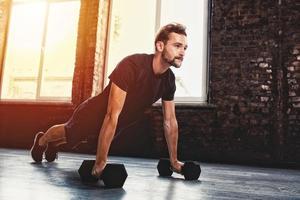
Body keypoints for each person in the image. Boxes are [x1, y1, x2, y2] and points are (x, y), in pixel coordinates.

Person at [30, 23, 188, 177]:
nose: (182, 52)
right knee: (69, 133)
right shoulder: (132, 66)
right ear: (160, 46)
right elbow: (112, 114)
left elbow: (170, 122)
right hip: (94, 113)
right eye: (177, 46)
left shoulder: (169, 81)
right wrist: (100, 162)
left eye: (185, 48)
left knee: (74, 140)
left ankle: (53, 145)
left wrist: (174, 161)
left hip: (116, 122)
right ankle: (42, 140)